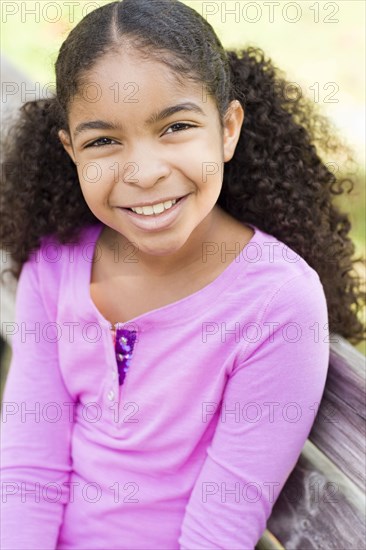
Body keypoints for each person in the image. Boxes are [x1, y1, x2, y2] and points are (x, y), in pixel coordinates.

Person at [0, 1, 364, 549]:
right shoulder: (54, 266)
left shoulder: (276, 302)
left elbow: (221, 527)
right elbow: (29, 473)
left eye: (175, 127)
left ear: (227, 129)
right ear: (71, 150)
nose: (145, 172)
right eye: (103, 141)